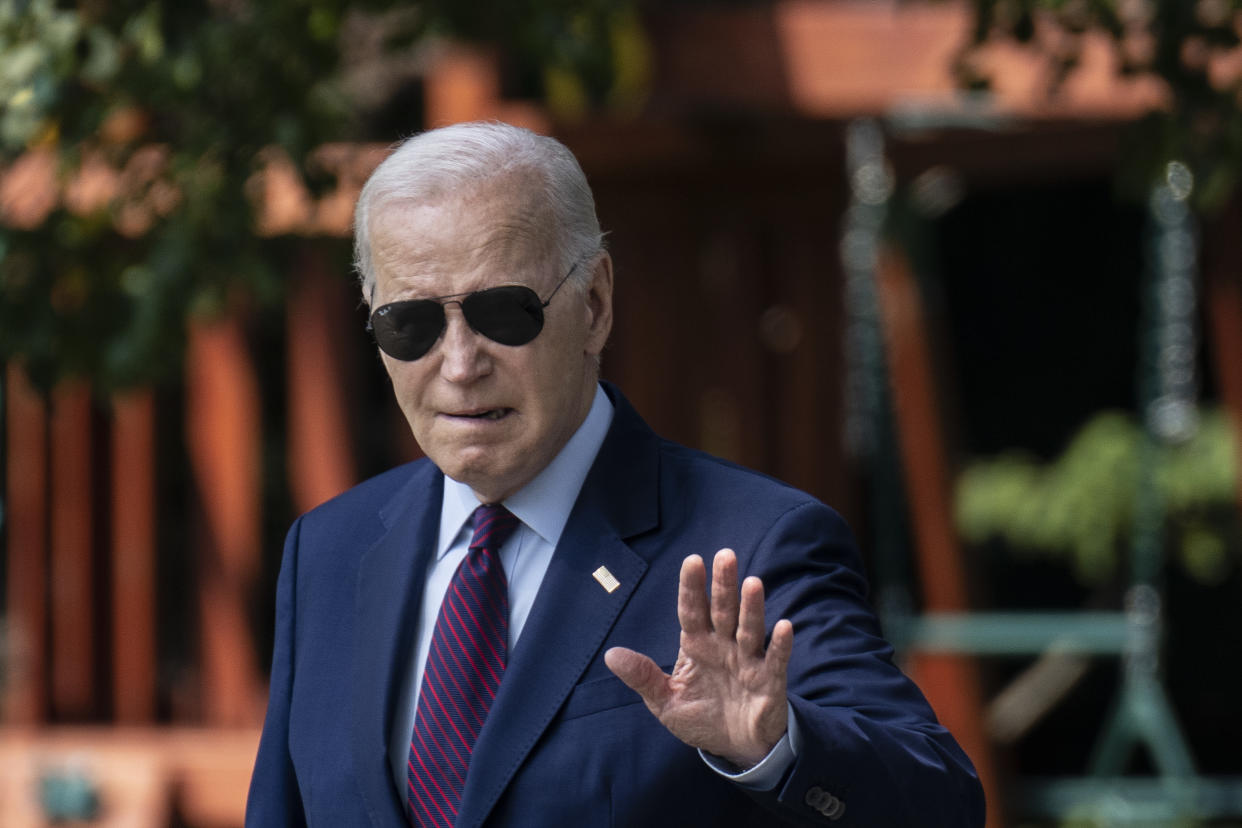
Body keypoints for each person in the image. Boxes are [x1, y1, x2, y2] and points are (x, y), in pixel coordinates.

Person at [246, 121, 984, 827]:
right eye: (411, 324)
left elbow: (941, 804)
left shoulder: (753, 546)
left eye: (504, 313)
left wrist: (775, 748)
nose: (460, 365)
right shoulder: (328, 552)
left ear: (594, 304)